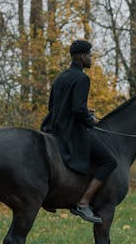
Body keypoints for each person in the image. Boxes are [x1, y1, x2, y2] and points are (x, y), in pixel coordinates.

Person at [41, 40, 117, 224]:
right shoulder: (83, 78)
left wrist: (83, 110)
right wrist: (89, 120)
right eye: (90, 55)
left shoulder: (60, 78)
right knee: (109, 161)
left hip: (55, 129)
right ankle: (83, 203)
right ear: (82, 57)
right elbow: (77, 109)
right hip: (72, 132)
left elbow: (52, 106)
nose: (91, 59)